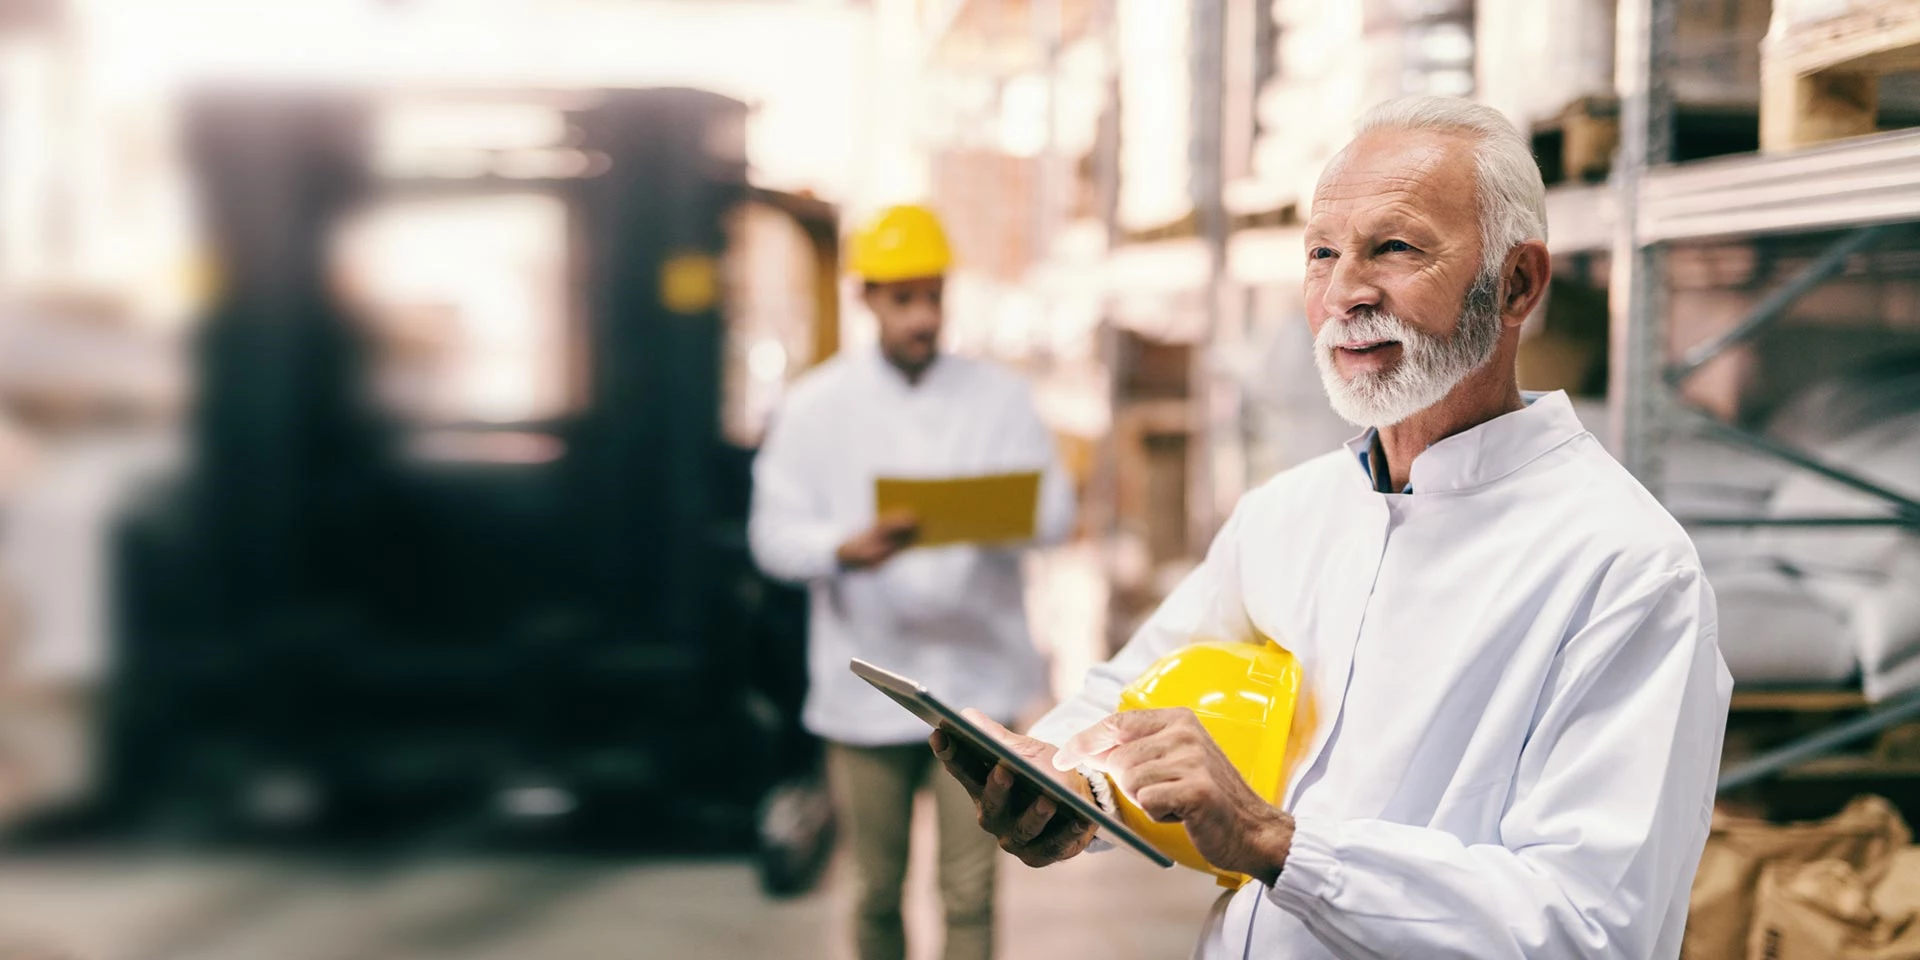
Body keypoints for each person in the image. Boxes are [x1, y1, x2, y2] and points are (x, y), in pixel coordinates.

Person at [933, 97, 1732, 958]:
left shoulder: (1625, 569)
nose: (1346, 292)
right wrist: (1058, 776)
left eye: (1394, 248)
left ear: (1517, 284)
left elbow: (1590, 929)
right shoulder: (1292, 515)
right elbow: (1125, 699)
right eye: (1322, 253)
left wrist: (1279, 844)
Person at [749, 204, 1076, 960]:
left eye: (933, 295)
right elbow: (773, 538)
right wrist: (844, 548)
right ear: (867, 298)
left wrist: (988, 515)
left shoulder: (998, 397)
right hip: (865, 686)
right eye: (905, 299)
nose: (923, 315)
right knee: (873, 889)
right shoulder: (815, 407)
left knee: (970, 892)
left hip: (976, 685)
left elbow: (1054, 513)